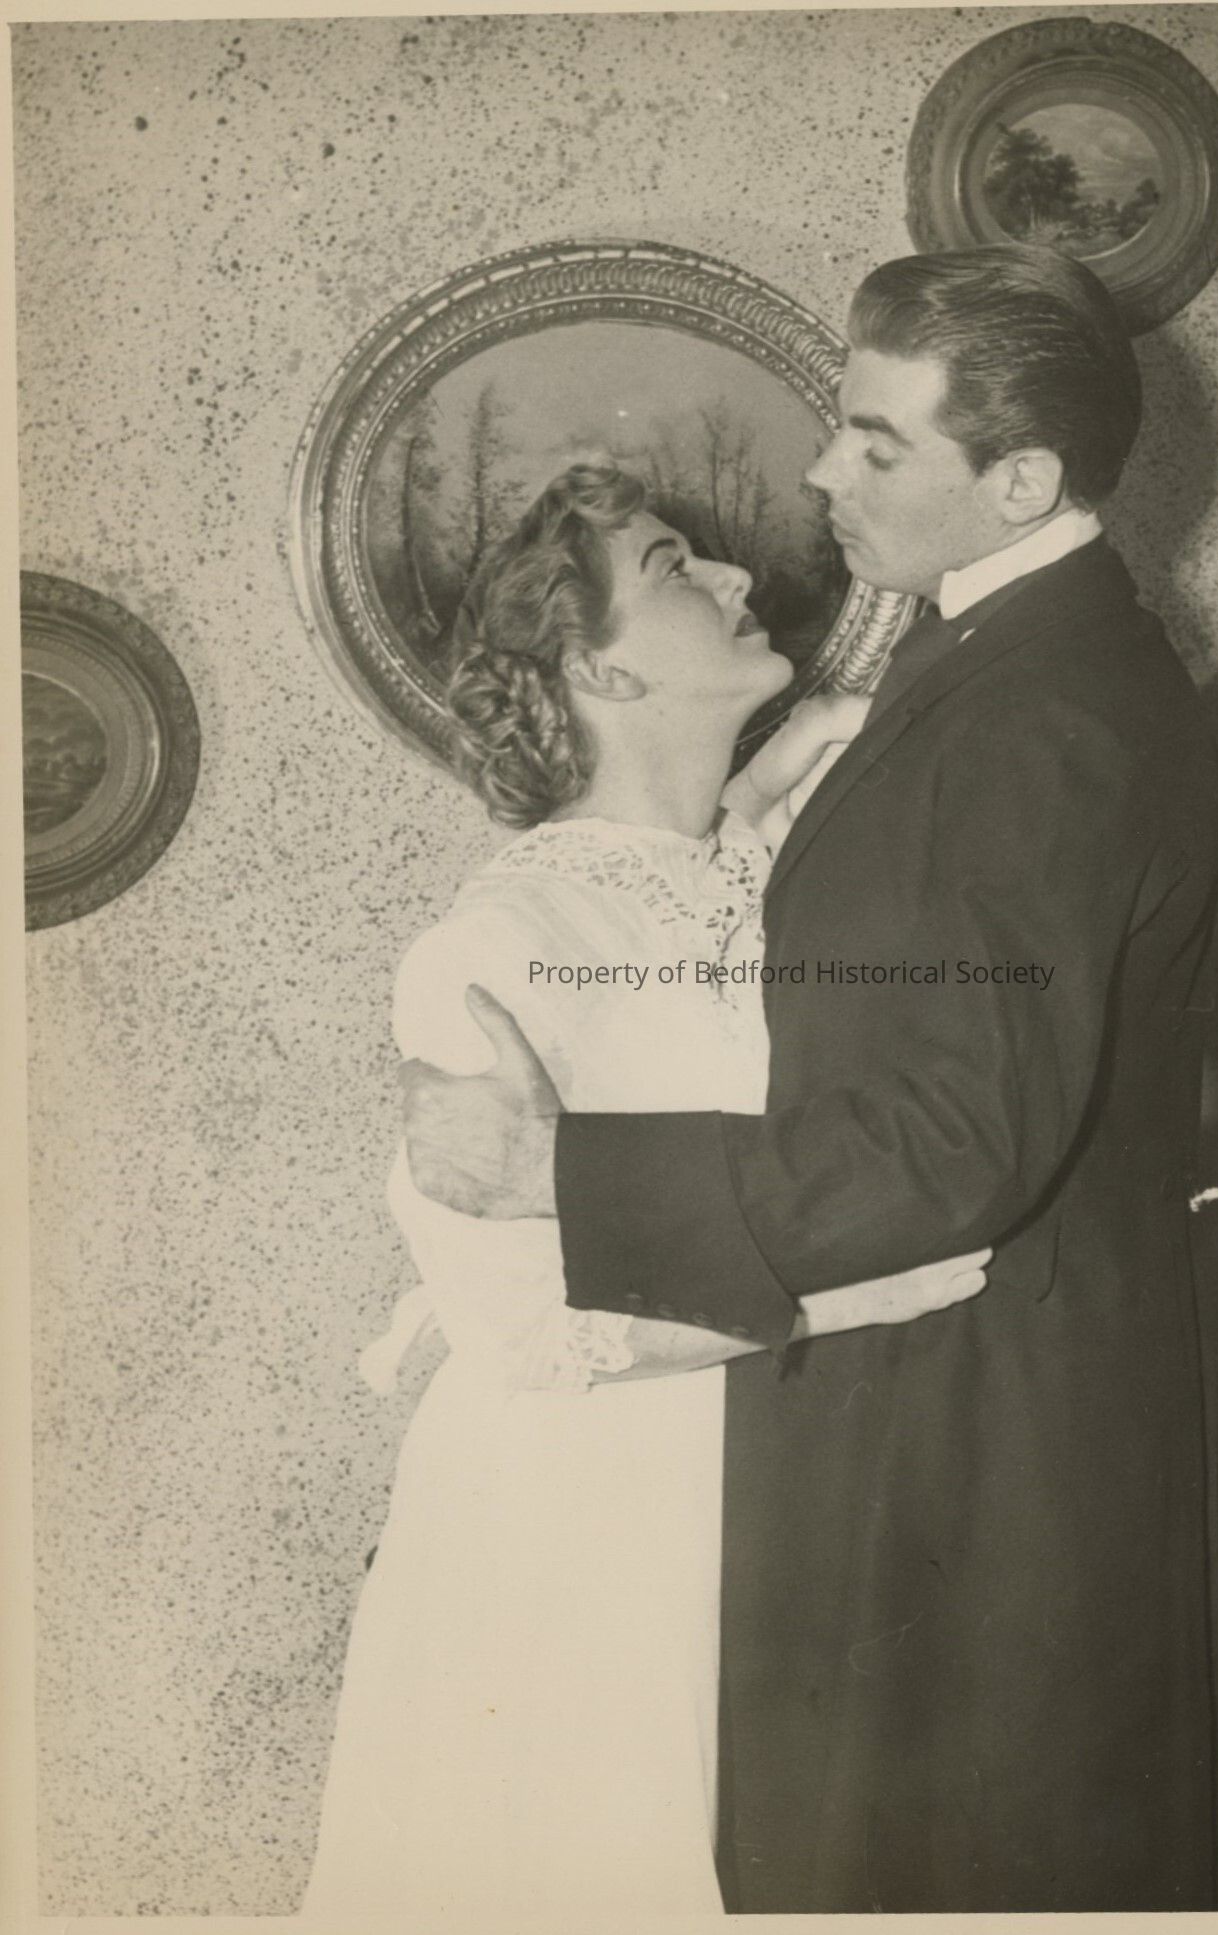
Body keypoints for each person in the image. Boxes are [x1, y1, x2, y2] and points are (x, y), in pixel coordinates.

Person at [402, 243, 1218, 1912]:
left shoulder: (1037, 712)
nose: (815, 474)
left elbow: (951, 1135)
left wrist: (563, 1171)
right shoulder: (973, 673)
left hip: (971, 1450)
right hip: (814, 1452)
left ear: (1018, 483)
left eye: (873, 442)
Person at [302, 463, 990, 1922]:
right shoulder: (497, 941)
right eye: (678, 565)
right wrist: (856, 1299)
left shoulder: (782, 865)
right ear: (598, 665)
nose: (740, 578)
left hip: (789, 1480)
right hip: (584, 1527)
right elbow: (526, 1335)